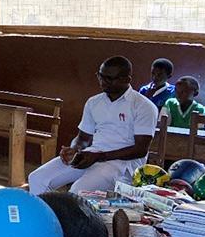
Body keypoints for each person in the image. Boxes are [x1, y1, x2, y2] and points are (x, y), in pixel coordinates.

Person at [28, 56, 157, 195]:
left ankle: (66, 215)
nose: (103, 82)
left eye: (109, 78)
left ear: (126, 79)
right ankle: (46, 216)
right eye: (100, 76)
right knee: (37, 178)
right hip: (91, 155)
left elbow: (140, 149)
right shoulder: (94, 102)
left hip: (121, 164)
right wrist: (74, 150)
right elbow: (83, 138)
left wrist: (98, 157)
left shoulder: (143, 106)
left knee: (77, 191)